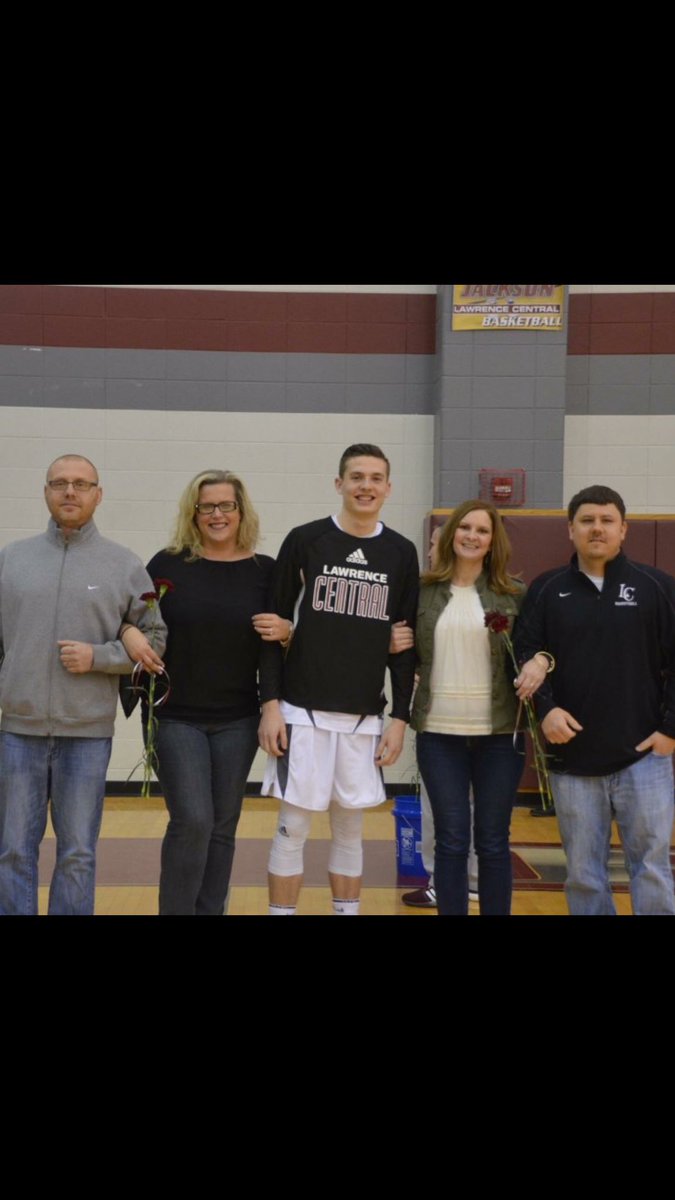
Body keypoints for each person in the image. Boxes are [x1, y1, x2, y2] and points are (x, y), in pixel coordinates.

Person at [256, 443, 419, 916]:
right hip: (301, 711)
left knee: (350, 831)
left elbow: (403, 642)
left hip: (364, 716)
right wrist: (270, 704)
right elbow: (272, 629)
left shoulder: (401, 552)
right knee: (293, 827)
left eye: (375, 478)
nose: (366, 486)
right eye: (356, 477)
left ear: (388, 488)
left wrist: (400, 719)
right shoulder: (306, 540)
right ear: (339, 484)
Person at [0, 454, 166, 916]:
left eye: (81, 484)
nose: (69, 491)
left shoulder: (123, 564)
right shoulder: (12, 560)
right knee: (12, 851)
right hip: (18, 733)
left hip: (87, 737)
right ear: (46, 492)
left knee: (77, 854)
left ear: (98, 494)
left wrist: (100, 657)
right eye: (59, 483)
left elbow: (155, 640)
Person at [122, 469, 282, 916]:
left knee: (222, 828)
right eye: (206, 506)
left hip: (239, 719)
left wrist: (288, 633)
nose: (216, 514)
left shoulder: (265, 571)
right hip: (175, 715)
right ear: (193, 513)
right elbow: (130, 615)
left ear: (241, 511)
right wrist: (128, 633)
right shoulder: (168, 563)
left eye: (226, 505)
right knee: (193, 819)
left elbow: (275, 644)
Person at [513, 484, 675, 916]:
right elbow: (525, 654)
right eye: (587, 521)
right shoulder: (547, 589)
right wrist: (546, 710)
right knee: (584, 874)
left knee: (652, 869)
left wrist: (669, 731)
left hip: (645, 758)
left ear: (624, 529)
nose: (597, 528)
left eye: (607, 520)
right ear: (571, 529)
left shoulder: (656, 587)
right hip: (573, 760)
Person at [411, 500, 548, 916]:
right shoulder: (421, 591)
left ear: (493, 541)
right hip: (439, 734)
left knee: (492, 840)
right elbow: (401, 648)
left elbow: (537, 647)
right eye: (465, 527)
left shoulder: (514, 593)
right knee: (451, 838)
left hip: (500, 736)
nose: (472, 536)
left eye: (482, 530)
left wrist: (542, 660)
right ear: (451, 533)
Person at [402, 526, 478, 908]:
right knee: (442, 807)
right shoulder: (423, 594)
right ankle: (443, 882)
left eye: (434, 545)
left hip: (484, 723)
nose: (430, 552)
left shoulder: (497, 594)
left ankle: (471, 881)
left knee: (477, 810)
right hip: (438, 720)